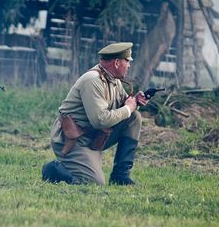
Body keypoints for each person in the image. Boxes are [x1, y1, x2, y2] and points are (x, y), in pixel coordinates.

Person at [42, 42, 149, 185]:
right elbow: (101, 120)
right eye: (127, 61)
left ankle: (120, 176)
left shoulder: (113, 80)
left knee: (134, 118)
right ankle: (54, 170)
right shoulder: (92, 80)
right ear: (117, 63)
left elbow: (123, 107)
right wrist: (129, 108)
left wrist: (135, 102)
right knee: (94, 182)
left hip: (93, 136)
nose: (129, 65)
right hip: (73, 139)